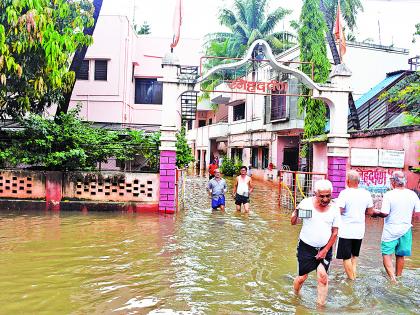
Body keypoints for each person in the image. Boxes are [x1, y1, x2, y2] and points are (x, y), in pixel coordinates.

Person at [291, 179, 341, 306]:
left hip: (325, 248)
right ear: (315, 194)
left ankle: (320, 308)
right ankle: (295, 296)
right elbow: (293, 222)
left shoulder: (334, 208)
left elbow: (335, 233)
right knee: (302, 277)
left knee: (323, 278)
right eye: (322, 196)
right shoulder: (306, 204)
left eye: (328, 196)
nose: (325, 199)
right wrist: (295, 213)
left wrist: (325, 250)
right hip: (306, 247)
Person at [371, 171, 420, 283]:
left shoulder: (389, 195)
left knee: (386, 254)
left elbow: (385, 213)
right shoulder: (413, 194)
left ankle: (393, 279)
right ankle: (399, 277)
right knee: (400, 255)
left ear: (393, 181)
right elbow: (417, 212)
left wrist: (374, 212)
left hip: (390, 230)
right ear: (405, 182)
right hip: (406, 230)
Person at [336, 170, 374, 280]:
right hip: (359, 231)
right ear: (358, 181)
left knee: (345, 257)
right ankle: (353, 276)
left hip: (346, 230)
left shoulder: (344, 193)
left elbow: (339, 210)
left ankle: (352, 280)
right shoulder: (366, 193)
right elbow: (370, 212)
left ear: (347, 181)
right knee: (354, 257)